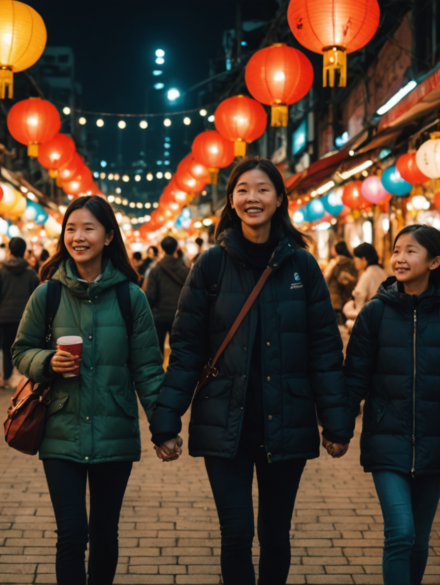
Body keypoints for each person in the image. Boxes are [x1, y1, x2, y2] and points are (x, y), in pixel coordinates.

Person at [149, 158, 351, 585]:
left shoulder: (303, 267)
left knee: (275, 536)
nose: (252, 197)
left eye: (263, 189)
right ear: (231, 200)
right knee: (237, 534)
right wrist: (166, 421)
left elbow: (324, 350)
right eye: (243, 189)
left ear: (279, 199)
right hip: (226, 424)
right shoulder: (210, 266)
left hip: (288, 421)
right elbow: (186, 349)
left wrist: (336, 422)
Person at [12, 196, 164, 585]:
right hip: (61, 428)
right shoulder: (48, 294)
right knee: (71, 533)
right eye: (71, 229)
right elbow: (21, 350)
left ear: (109, 235)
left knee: (104, 533)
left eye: (88, 228)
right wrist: (47, 362)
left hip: (115, 429)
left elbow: (147, 367)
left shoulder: (132, 298)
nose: (78, 237)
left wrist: (164, 427)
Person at [344, 224, 440, 585]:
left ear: (434, 261)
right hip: (385, 440)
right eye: (396, 250)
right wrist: (338, 431)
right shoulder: (374, 314)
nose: (399, 258)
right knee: (401, 533)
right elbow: (353, 381)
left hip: (436, 442)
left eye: (411, 251)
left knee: (419, 541)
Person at [0, 236, 39, 389]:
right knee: (24, 347)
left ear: (9, 251)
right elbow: (36, 297)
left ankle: (7, 377)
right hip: (25, 317)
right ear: (23, 252)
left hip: (4, 316)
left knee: (6, 346)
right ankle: (24, 378)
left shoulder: (0, 270)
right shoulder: (30, 273)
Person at [145, 236, 190, 353]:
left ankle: (160, 371)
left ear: (162, 248)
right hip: (178, 316)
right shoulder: (186, 271)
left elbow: (151, 294)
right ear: (176, 248)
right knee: (178, 350)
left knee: (157, 350)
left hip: (159, 315)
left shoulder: (155, 270)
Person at [343, 242, 384, 320]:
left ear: (363, 258)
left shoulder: (368, 274)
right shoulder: (381, 271)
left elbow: (359, 302)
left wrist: (348, 310)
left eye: (355, 257)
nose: (354, 261)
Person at [324, 241, 357, 325]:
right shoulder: (351, 262)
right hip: (347, 297)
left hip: (335, 298)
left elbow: (326, 278)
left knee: (338, 324)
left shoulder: (336, 262)